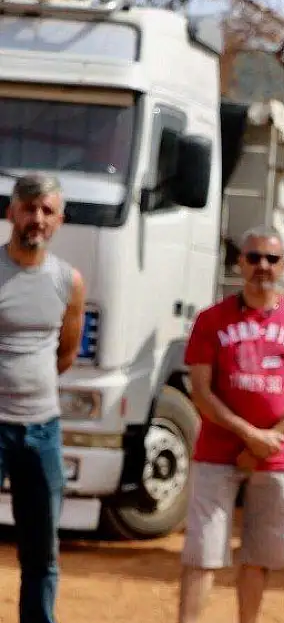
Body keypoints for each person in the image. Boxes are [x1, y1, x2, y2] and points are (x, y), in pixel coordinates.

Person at [177, 225, 284, 623]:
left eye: (272, 259)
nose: (263, 266)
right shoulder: (212, 319)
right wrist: (249, 435)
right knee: (202, 554)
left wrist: (269, 440)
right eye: (254, 257)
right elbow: (201, 392)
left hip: (278, 459)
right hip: (217, 453)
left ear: (283, 266)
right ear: (240, 262)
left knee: (260, 556)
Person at [0, 173, 85, 623]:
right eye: (29, 208)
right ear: (10, 213)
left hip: (42, 431)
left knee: (41, 551)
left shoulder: (68, 282)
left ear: (59, 220)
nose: (37, 219)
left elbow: (65, 353)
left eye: (47, 211)